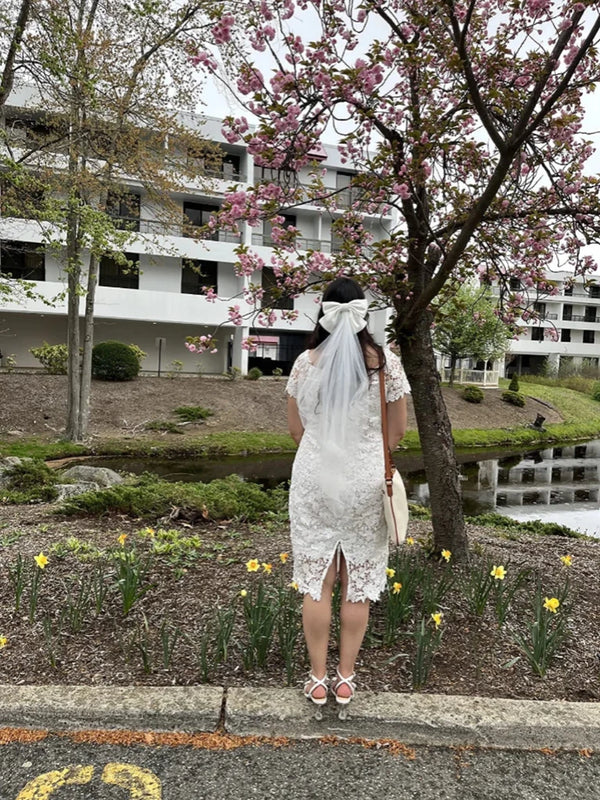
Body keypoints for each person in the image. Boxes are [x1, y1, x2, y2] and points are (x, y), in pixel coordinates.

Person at [286, 277, 410, 718]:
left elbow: (297, 430)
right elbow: (397, 432)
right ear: (362, 314)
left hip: (314, 478)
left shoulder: (305, 363)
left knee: (317, 582)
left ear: (324, 312)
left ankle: (317, 679)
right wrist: (368, 449)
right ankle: (346, 678)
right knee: (358, 583)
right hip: (363, 479)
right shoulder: (385, 364)